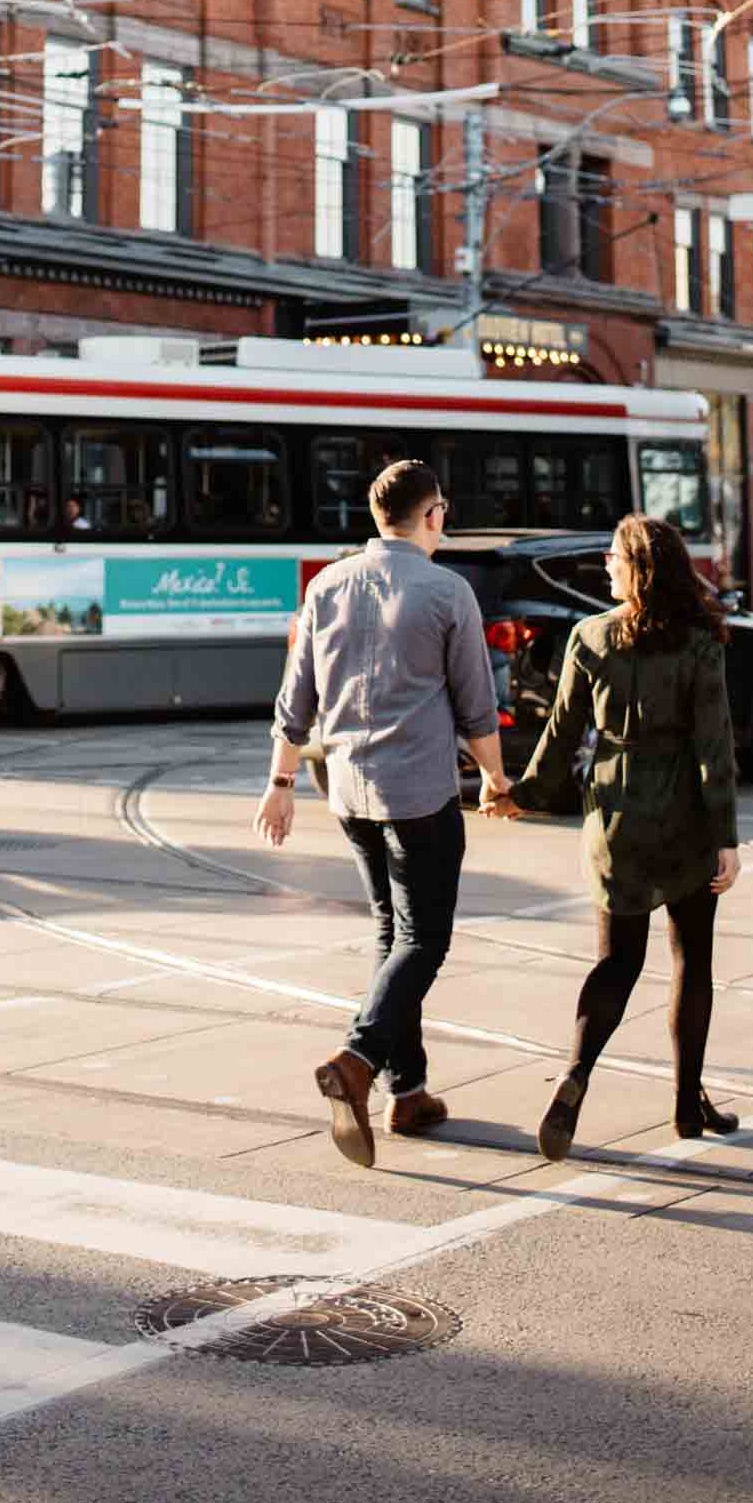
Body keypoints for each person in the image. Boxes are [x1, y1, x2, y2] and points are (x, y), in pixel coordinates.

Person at [257, 457, 508, 1167]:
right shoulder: (446, 590)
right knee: (425, 939)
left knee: (391, 934)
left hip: (348, 792)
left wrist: (279, 782)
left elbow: (294, 698)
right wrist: (494, 778)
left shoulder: (325, 586)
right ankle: (360, 1059)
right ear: (432, 515)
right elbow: (475, 705)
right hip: (421, 794)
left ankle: (409, 1092)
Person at [490, 513, 740, 1160]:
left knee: (618, 961)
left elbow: (562, 734)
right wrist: (727, 836)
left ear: (635, 569)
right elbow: (715, 746)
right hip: (684, 808)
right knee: (693, 959)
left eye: (611, 558)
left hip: (615, 816)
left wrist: (522, 794)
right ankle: (687, 1105)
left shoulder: (589, 637)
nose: (604, 567)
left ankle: (575, 1077)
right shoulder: (700, 640)